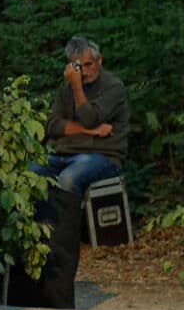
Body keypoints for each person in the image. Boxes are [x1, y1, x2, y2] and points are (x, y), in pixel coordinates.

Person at [33, 36, 130, 196]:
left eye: (88, 64)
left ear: (99, 60)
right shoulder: (66, 88)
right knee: (32, 171)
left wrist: (77, 86)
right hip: (64, 153)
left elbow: (90, 119)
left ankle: (67, 222)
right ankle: (43, 221)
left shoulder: (113, 87)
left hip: (102, 156)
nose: (84, 72)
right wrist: (89, 132)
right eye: (79, 66)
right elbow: (51, 125)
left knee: (68, 179)